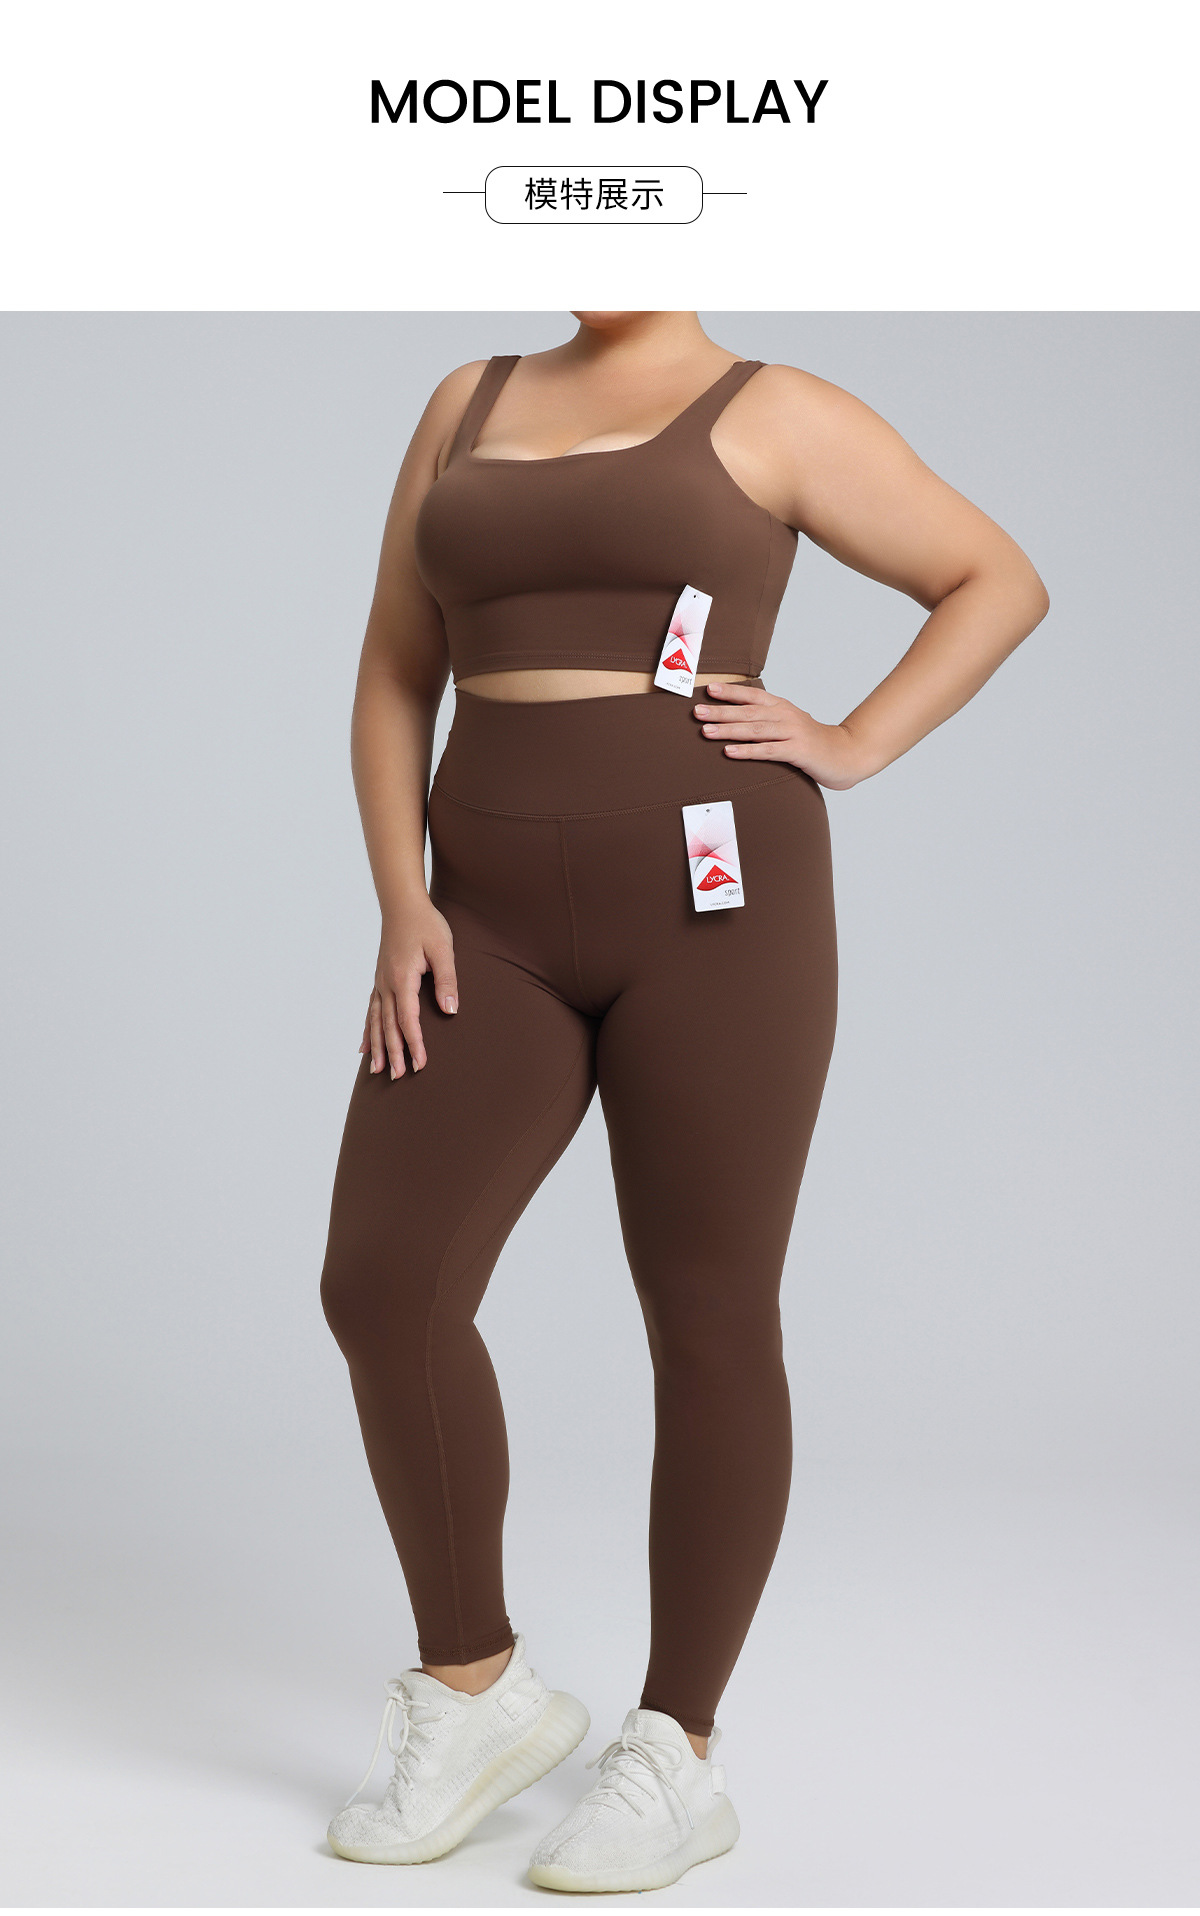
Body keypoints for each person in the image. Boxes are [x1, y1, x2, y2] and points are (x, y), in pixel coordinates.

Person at [318, 310, 1049, 1892]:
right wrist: (402, 896)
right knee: (383, 1283)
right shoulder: (467, 400)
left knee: (710, 1310)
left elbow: (996, 578)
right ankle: (477, 1691)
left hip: (718, 909)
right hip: (482, 916)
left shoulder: (779, 411)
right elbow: (393, 665)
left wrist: (852, 741)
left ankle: (677, 1750)